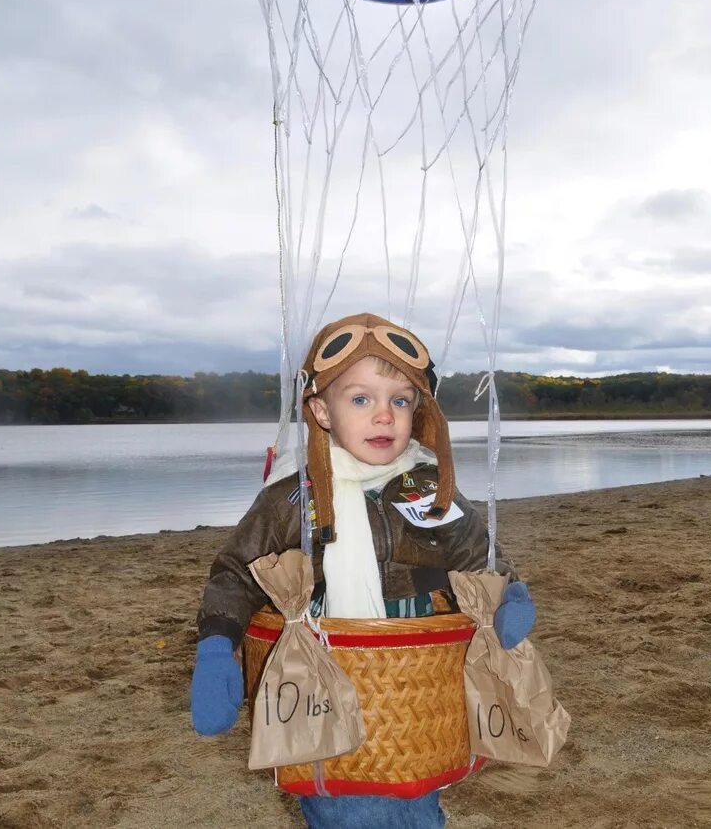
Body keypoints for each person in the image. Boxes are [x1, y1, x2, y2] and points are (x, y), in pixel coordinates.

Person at [191, 313, 536, 829]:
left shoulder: (427, 487)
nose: (384, 416)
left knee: (415, 789)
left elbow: (477, 554)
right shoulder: (292, 496)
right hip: (322, 665)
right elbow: (237, 572)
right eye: (360, 399)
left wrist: (509, 595)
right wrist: (218, 643)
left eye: (400, 400)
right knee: (347, 803)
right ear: (320, 410)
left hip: (419, 675)